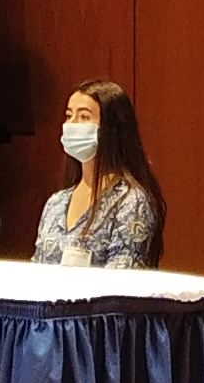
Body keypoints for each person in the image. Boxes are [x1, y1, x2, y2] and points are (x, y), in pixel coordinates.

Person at [29, 79, 163, 269]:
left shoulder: (130, 201)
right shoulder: (56, 203)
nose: (72, 124)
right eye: (69, 115)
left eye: (84, 117)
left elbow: (122, 281)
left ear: (110, 129)